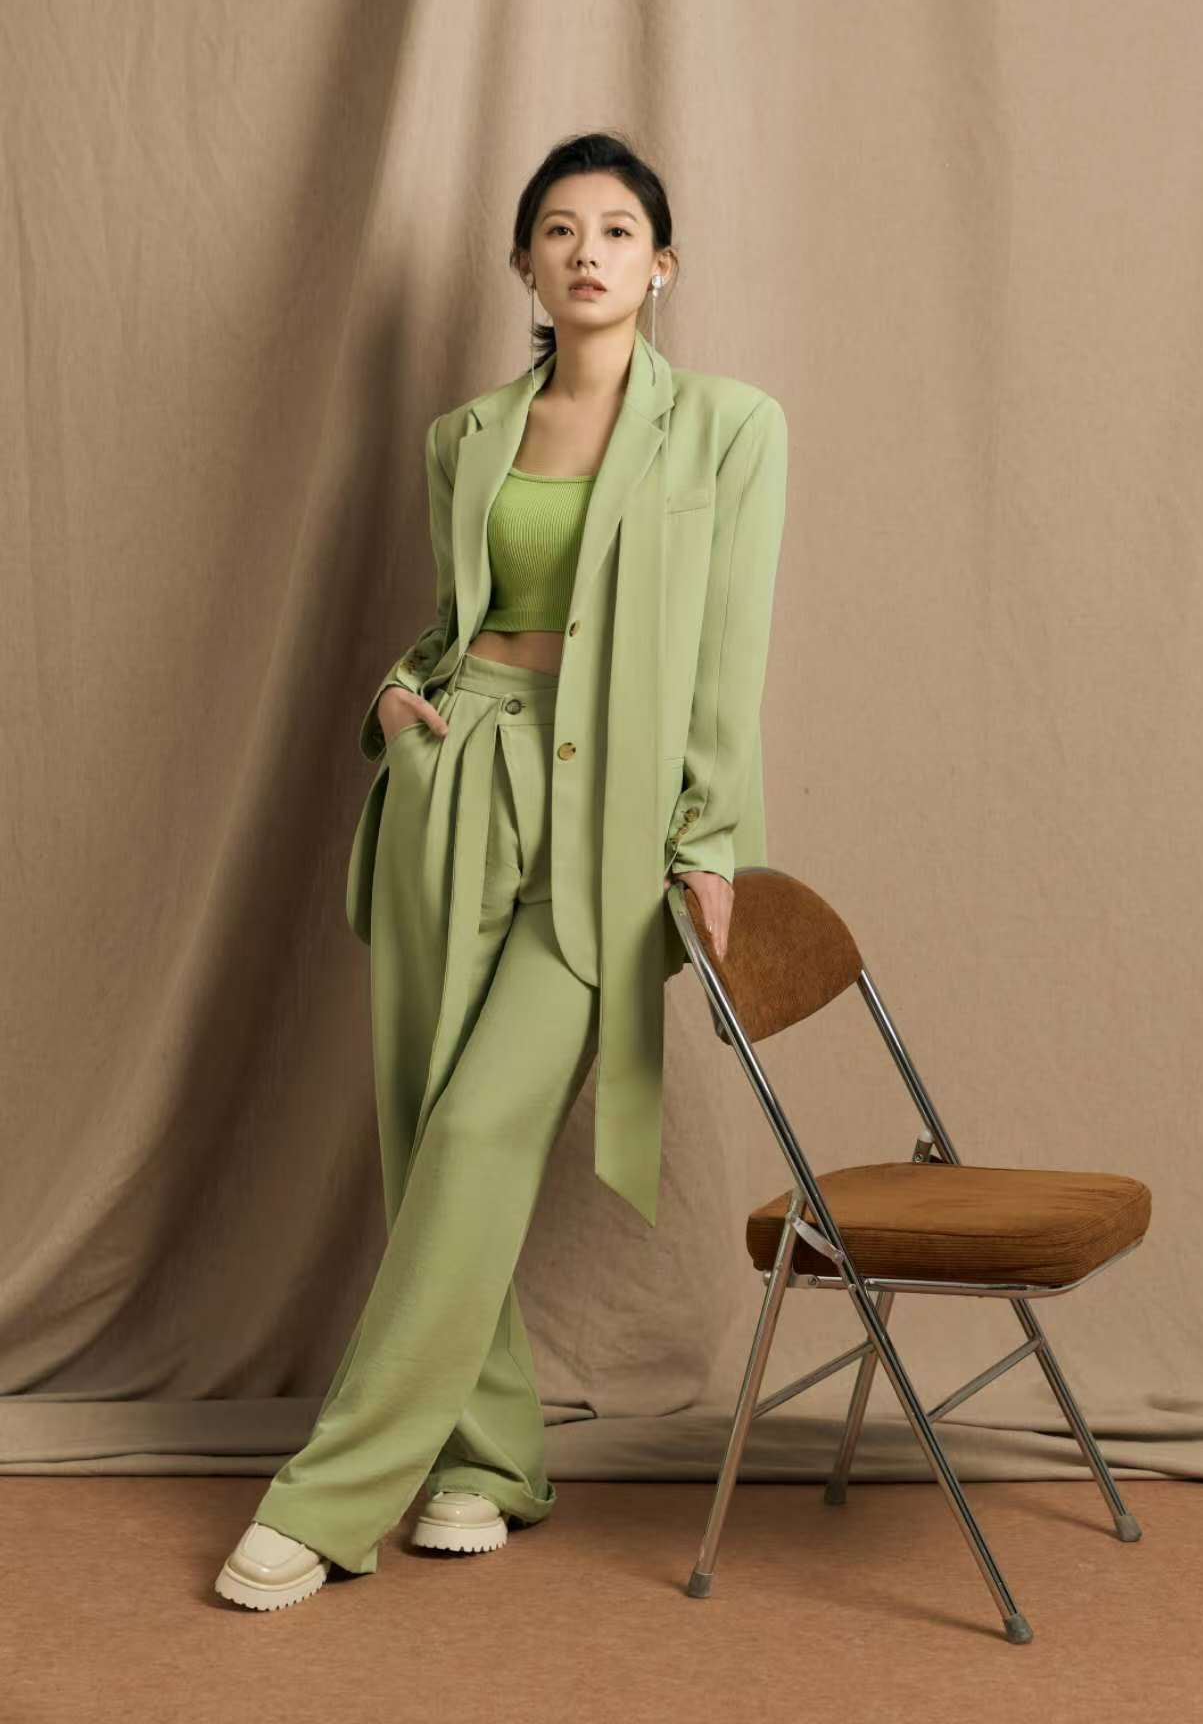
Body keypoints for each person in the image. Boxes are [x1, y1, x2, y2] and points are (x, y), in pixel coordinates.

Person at [215, 131, 788, 1611]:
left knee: (480, 1129)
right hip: (456, 780)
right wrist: (397, 699)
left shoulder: (730, 429)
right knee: (426, 1131)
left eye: (619, 229)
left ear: (662, 264)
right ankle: (493, 1454)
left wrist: (710, 840)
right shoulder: (464, 436)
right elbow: (457, 620)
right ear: (524, 263)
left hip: (614, 823)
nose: (588, 250)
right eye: (559, 229)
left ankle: (334, 1493)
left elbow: (728, 657)